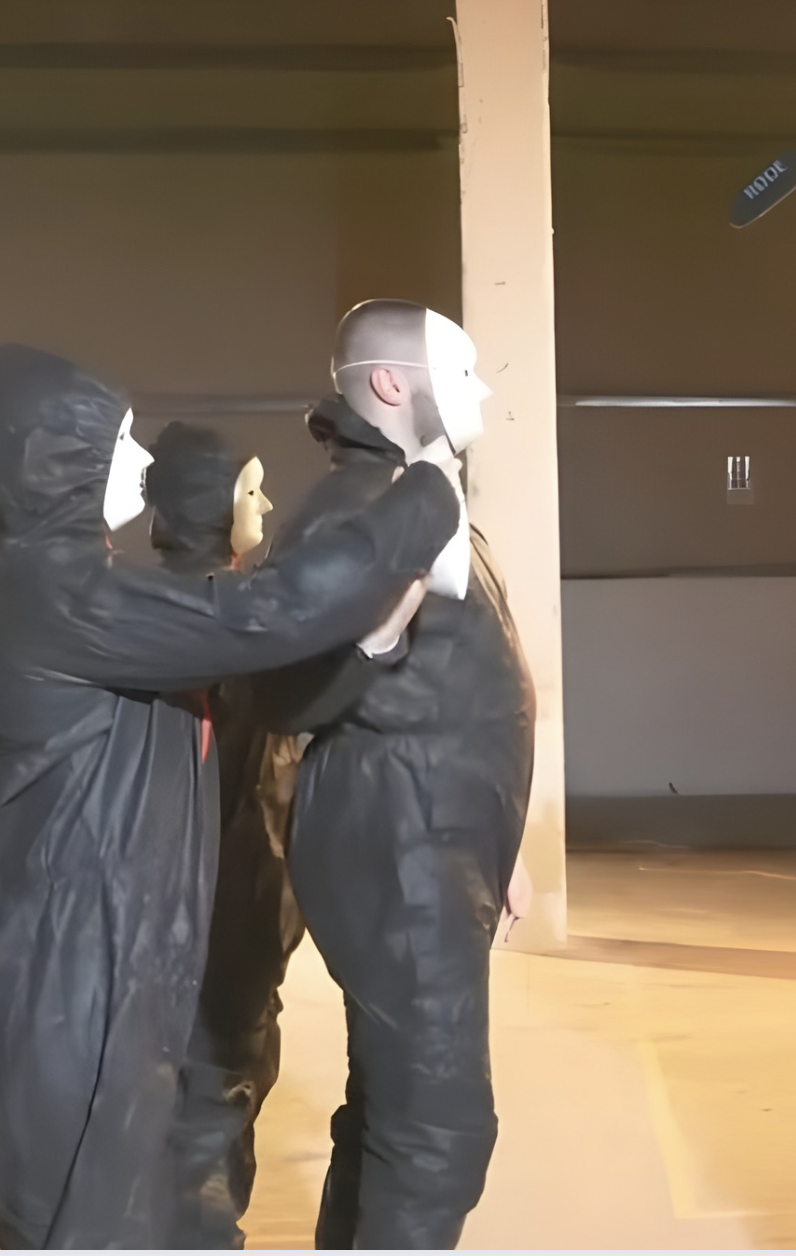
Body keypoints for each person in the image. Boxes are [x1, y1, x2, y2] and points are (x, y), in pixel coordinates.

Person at [0, 344, 455, 1249]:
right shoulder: (59, 594)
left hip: (87, 993)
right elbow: (268, 614)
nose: (141, 464)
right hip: (69, 1011)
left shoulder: (34, 586)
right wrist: (427, 489)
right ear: (56, 457)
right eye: (118, 443)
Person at [252, 299, 536, 1249]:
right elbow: (285, 689)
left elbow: (456, 678)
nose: (479, 392)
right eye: (457, 374)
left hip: (430, 838)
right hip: (399, 848)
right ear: (388, 384)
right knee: (439, 1133)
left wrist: (501, 838)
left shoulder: (407, 497)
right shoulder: (358, 514)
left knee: (391, 1110)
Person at [145, 423, 309, 1248]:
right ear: (210, 504)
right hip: (228, 918)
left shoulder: (137, 608)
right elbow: (256, 783)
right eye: (250, 490)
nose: (266, 502)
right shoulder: (237, 623)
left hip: (160, 926)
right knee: (213, 1117)